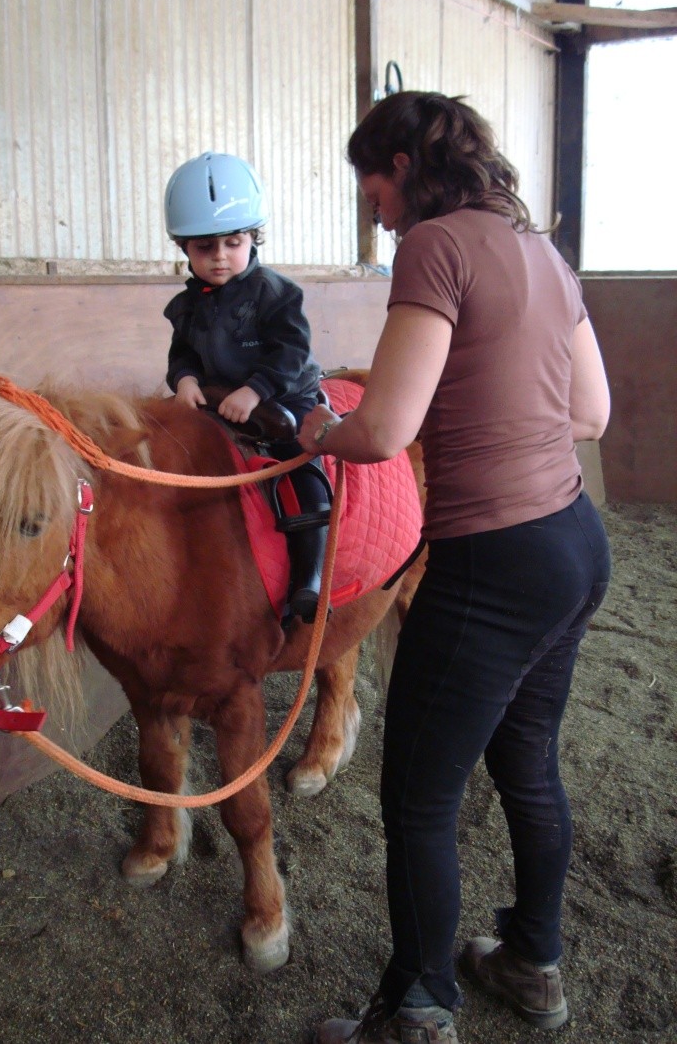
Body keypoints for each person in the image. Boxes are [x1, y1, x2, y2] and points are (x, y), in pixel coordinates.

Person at [297, 92, 612, 1044]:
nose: (373, 206)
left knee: (418, 796)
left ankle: (421, 1006)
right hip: (575, 543)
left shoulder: (433, 248)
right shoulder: (544, 253)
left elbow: (386, 427)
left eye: (374, 182)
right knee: (526, 763)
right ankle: (532, 959)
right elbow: (591, 413)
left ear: (406, 164)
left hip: (492, 561)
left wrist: (321, 428)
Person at [163, 151, 330, 623]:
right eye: (204, 248)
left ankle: (309, 579)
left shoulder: (277, 294)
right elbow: (183, 353)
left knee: (298, 464)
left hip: (282, 394)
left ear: (253, 238)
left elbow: (291, 351)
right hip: (219, 399)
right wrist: (186, 379)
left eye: (232, 243)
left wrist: (256, 390)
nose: (219, 257)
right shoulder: (187, 305)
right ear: (184, 249)